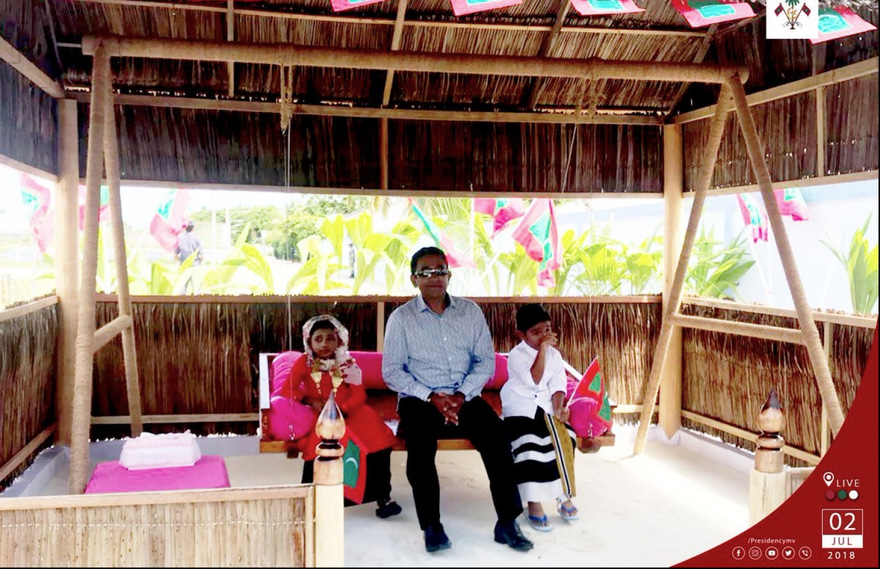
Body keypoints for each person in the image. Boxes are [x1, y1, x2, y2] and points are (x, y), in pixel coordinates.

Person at [382, 246, 533, 553]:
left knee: (498, 438)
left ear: (449, 275)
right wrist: (431, 396)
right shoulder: (401, 318)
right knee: (419, 450)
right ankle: (432, 526)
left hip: (464, 395)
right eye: (426, 271)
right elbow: (392, 371)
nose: (434, 277)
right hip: (420, 398)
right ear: (414, 279)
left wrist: (462, 395)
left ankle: (507, 522)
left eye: (440, 270)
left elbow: (485, 362)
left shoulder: (470, 312)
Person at [282, 314, 402, 519]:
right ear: (309, 342)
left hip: (352, 412)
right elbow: (288, 390)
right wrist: (309, 400)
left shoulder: (347, 363)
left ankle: (383, 497)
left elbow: (359, 394)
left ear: (338, 340)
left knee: (379, 443)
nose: (324, 344)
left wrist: (342, 410)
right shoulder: (304, 362)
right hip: (321, 416)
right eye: (318, 339)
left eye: (330, 338)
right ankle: (311, 498)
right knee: (317, 449)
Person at [501, 303, 579, 533]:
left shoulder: (555, 356)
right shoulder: (516, 355)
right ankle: (533, 502)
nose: (543, 336)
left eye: (547, 330)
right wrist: (543, 350)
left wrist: (559, 409)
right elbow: (534, 380)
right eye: (536, 332)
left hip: (545, 407)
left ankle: (561, 494)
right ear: (521, 335)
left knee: (566, 438)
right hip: (520, 408)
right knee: (530, 445)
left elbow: (558, 385)